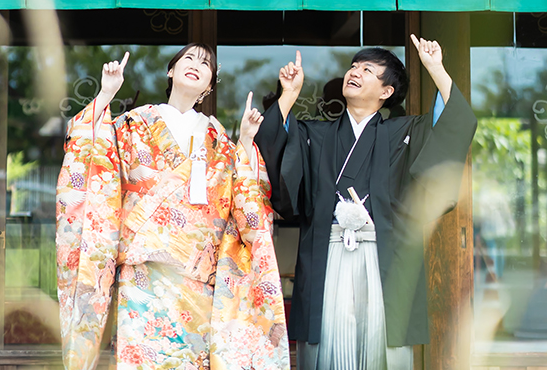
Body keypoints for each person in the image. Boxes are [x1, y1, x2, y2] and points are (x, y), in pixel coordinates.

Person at [56, 43, 289, 370]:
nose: (196, 64)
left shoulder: (218, 138)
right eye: (188, 58)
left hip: (197, 276)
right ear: (171, 70)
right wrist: (106, 95)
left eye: (205, 63)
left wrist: (247, 144)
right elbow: (91, 154)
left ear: (210, 83)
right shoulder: (133, 123)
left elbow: (244, 196)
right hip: (143, 274)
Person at [254, 35, 477, 370]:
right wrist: (288, 96)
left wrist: (436, 69)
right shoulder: (316, 134)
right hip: (327, 253)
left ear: (386, 92)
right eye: (353, 66)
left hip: (383, 252)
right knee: (326, 341)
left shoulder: (404, 132)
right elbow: (272, 146)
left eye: (368, 69)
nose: (354, 72)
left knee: (382, 345)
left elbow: (453, 126)